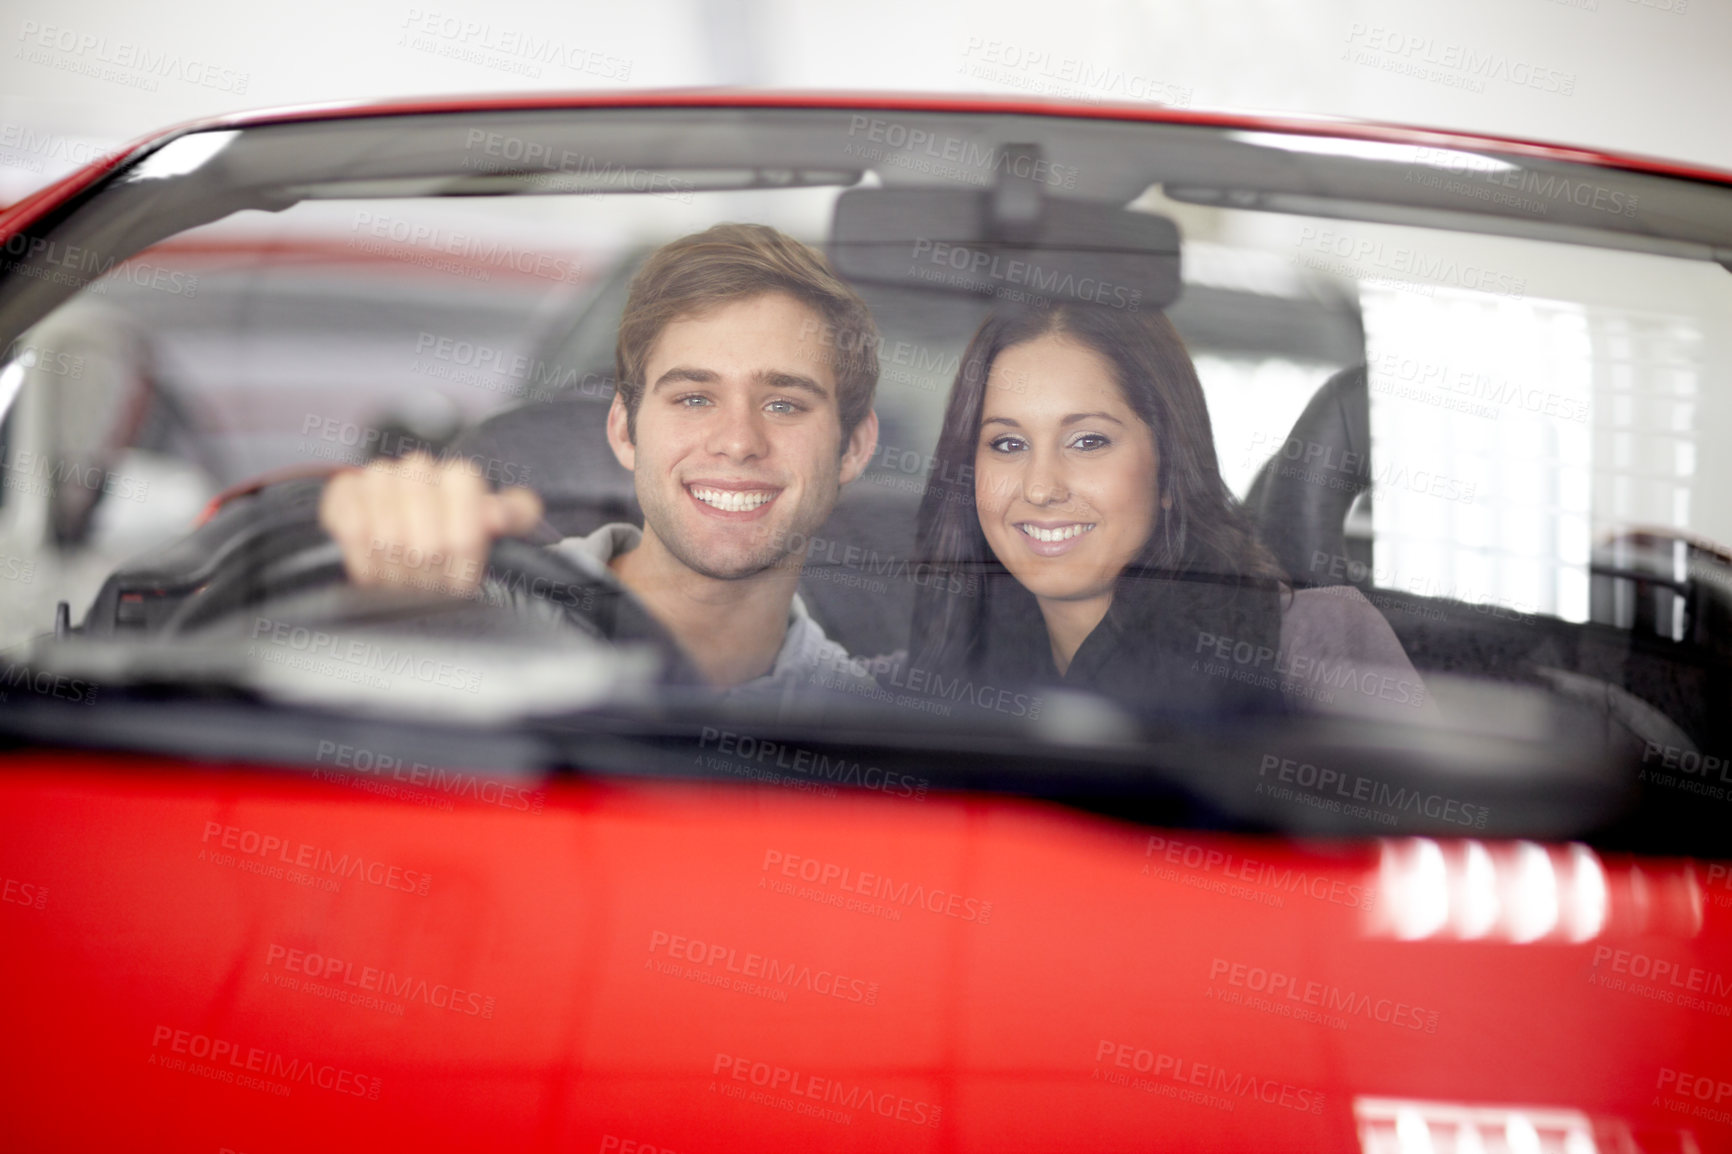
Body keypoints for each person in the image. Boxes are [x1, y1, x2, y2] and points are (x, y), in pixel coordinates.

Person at [318, 223, 881, 705]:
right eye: (693, 398)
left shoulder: (879, 738)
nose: (738, 443)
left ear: (853, 446)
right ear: (623, 431)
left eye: (783, 404)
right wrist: (371, 590)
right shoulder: (463, 610)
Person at [909, 302, 1431, 719]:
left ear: (1169, 467)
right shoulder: (949, 659)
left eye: (1088, 441)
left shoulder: (1316, 638)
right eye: (1007, 444)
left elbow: (1418, 845)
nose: (1041, 487)